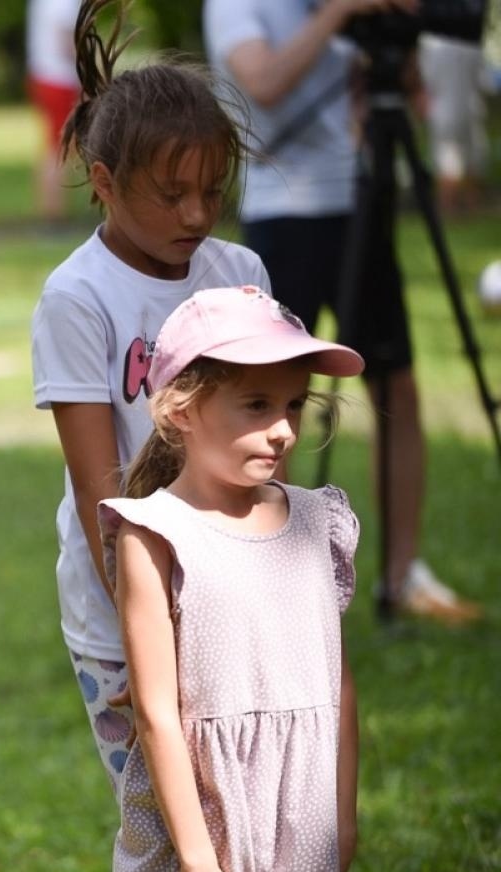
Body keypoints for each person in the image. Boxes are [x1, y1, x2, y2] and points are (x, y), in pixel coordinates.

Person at [29, 0, 268, 872]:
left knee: (230, 842)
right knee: (161, 855)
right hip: (123, 621)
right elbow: (97, 491)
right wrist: (145, 635)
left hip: (231, 604)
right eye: (168, 192)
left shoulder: (238, 276)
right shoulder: (77, 295)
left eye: (210, 189)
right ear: (103, 182)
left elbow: (268, 437)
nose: (194, 212)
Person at [99, 285, 363, 872]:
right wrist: (197, 863)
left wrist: (341, 820)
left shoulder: (319, 521)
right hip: (202, 817)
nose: (282, 430)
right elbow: (156, 713)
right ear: (180, 406)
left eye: (293, 406)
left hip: (296, 811)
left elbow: (339, 686)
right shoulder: (156, 533)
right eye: (255, 404)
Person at [204, 0, 482, 623]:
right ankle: (261, 572)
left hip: (357, 196)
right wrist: (338, 15)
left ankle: (403, 574)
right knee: (266, 397)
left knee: (397, 387)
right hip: (283, 213)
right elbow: (265, 85)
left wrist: (398, 43)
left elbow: (398, 93)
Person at [26, 0, 85, 222]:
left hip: (44, 75)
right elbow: (66, 43)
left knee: (57, 146)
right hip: (58, 79)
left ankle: (54, 209)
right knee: (58, 148)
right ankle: (53, 214)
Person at [418, 33, 489, 215]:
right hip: (470, 108)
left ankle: (449, 208)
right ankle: (471, 207)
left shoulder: (431, 44)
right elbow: (481, 79)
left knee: (448, 162)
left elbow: (427, 79)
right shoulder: (472, 43)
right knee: (469, 159)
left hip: (444, 110)